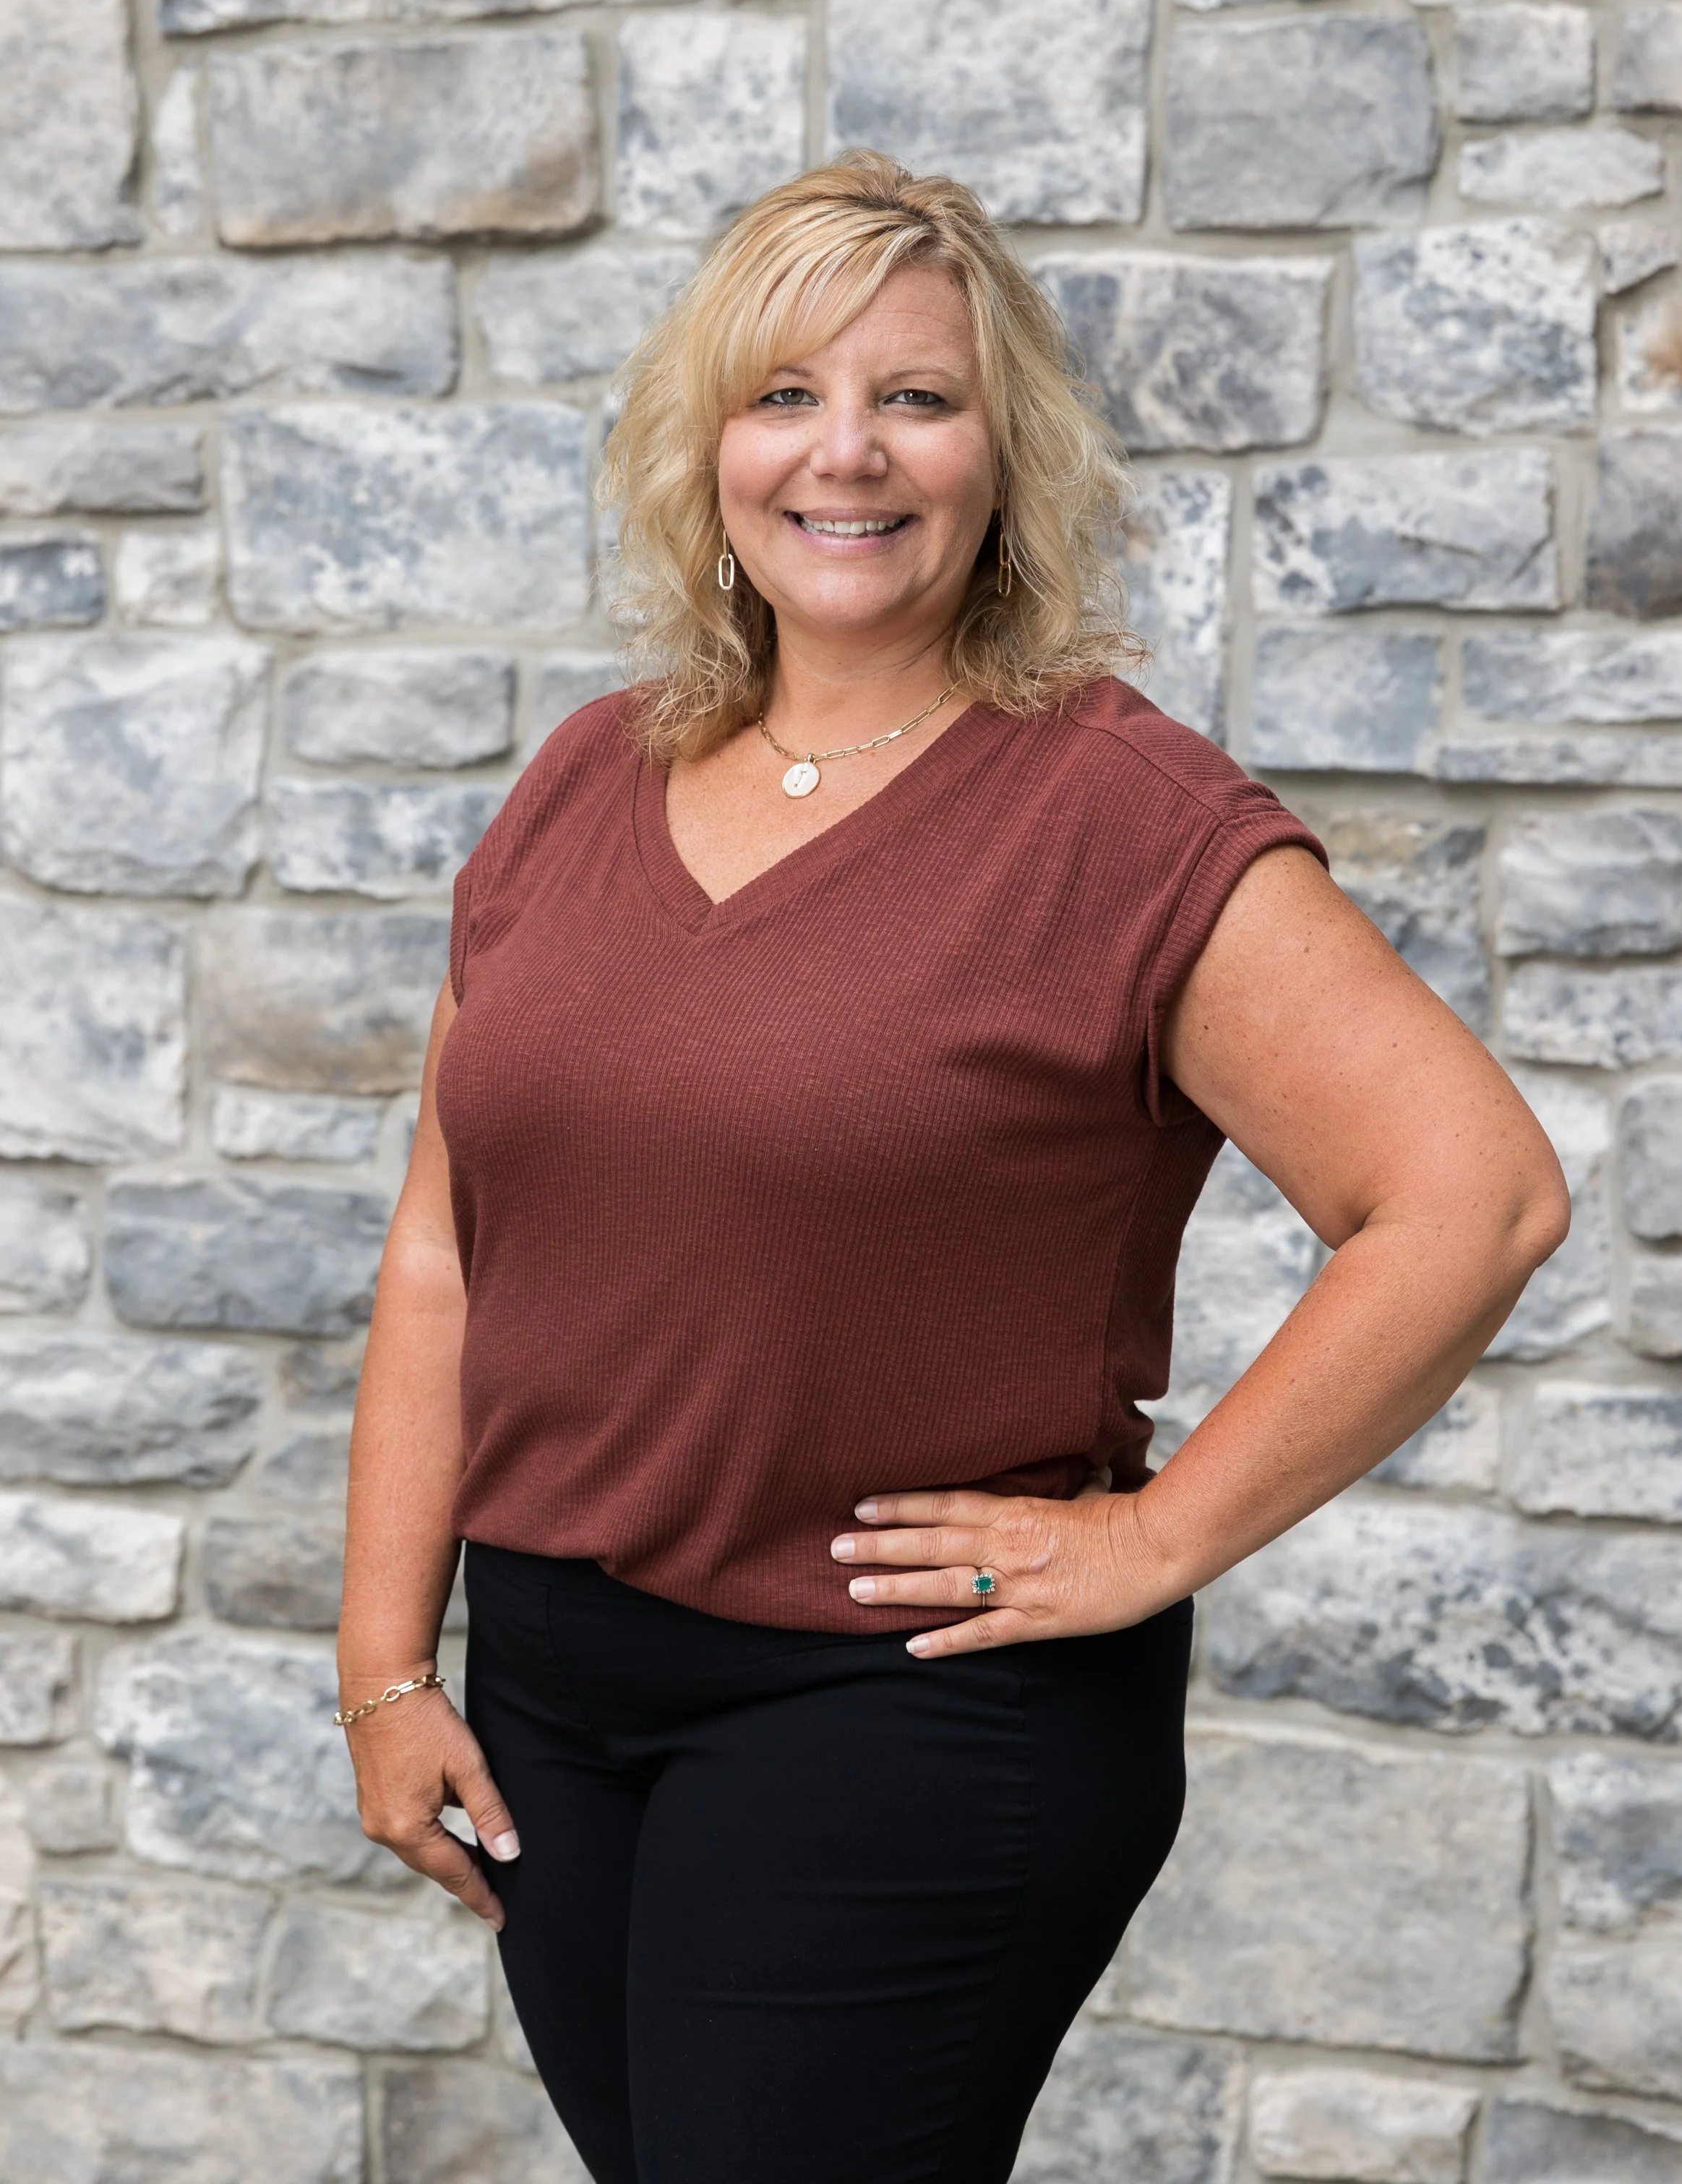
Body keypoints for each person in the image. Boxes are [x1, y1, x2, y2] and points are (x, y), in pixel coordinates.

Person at [336, 152, 1569, 2184]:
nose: (848, 453)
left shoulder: (1117, 815)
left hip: (896, 1716)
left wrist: (1156, 1538)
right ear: (706, 442)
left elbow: (1474, 1195)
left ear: (1008, 453)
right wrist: (387, 1666)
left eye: (917, 396)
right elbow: (445, 1253)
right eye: (785, 394)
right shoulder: (589, 776)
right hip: (556, 1697)